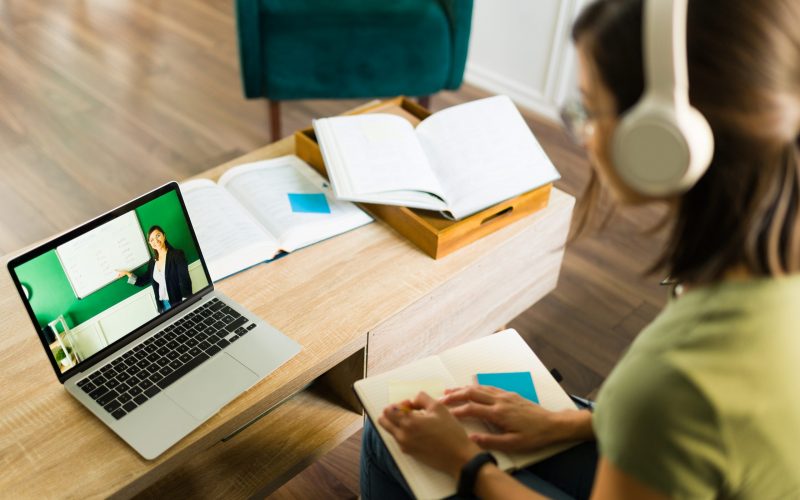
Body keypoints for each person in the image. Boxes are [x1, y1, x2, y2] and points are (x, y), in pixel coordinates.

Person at [360, 0, 800, 498]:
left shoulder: (673, 379)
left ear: (658, 140)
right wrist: (566, 423)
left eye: (589, 109)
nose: (584, 135)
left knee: (387, 435)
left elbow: (668, 411)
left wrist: (468, 466)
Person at [117, 225, 192, 313]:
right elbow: (142, 281)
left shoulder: (177, 255)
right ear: (150, 244)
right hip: (163, 306)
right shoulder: (152, 262)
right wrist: (127, 273)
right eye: (152, 239)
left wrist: (186, 303)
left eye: (158, 235)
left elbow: (185, 280)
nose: (156, 240)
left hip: (178, 302)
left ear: (164, 236)